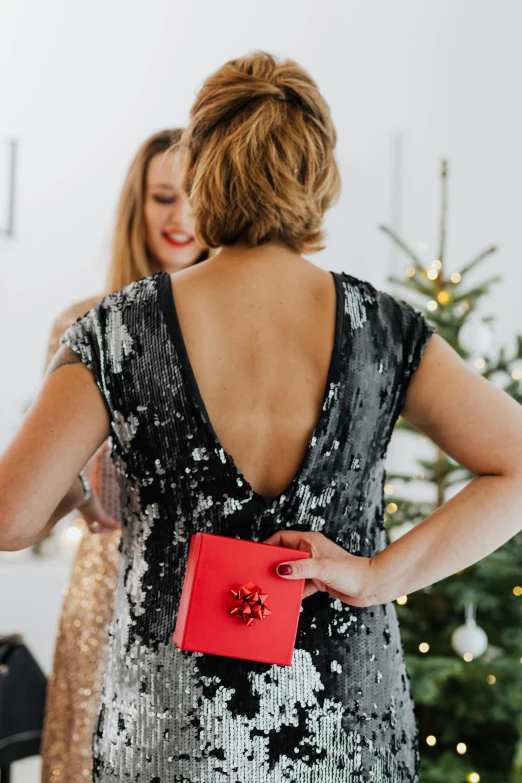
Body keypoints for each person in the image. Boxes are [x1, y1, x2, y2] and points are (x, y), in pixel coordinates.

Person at [2, 52, 522, 783]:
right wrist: (373, 577)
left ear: (202, 168)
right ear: (317, 174)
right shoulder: (384, 328)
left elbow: (11, 517)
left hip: (170, 726)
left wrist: (91, 489)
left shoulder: (119, 327)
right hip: (343, 722)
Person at [40, 129, 208, 783]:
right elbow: (48, 492)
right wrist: (85, 491)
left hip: (204, 580)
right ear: (136, 206)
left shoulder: (236, 323)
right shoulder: (82, 324)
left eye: (194, 195)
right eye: (163, 196)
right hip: (106, 578)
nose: (181, 215)